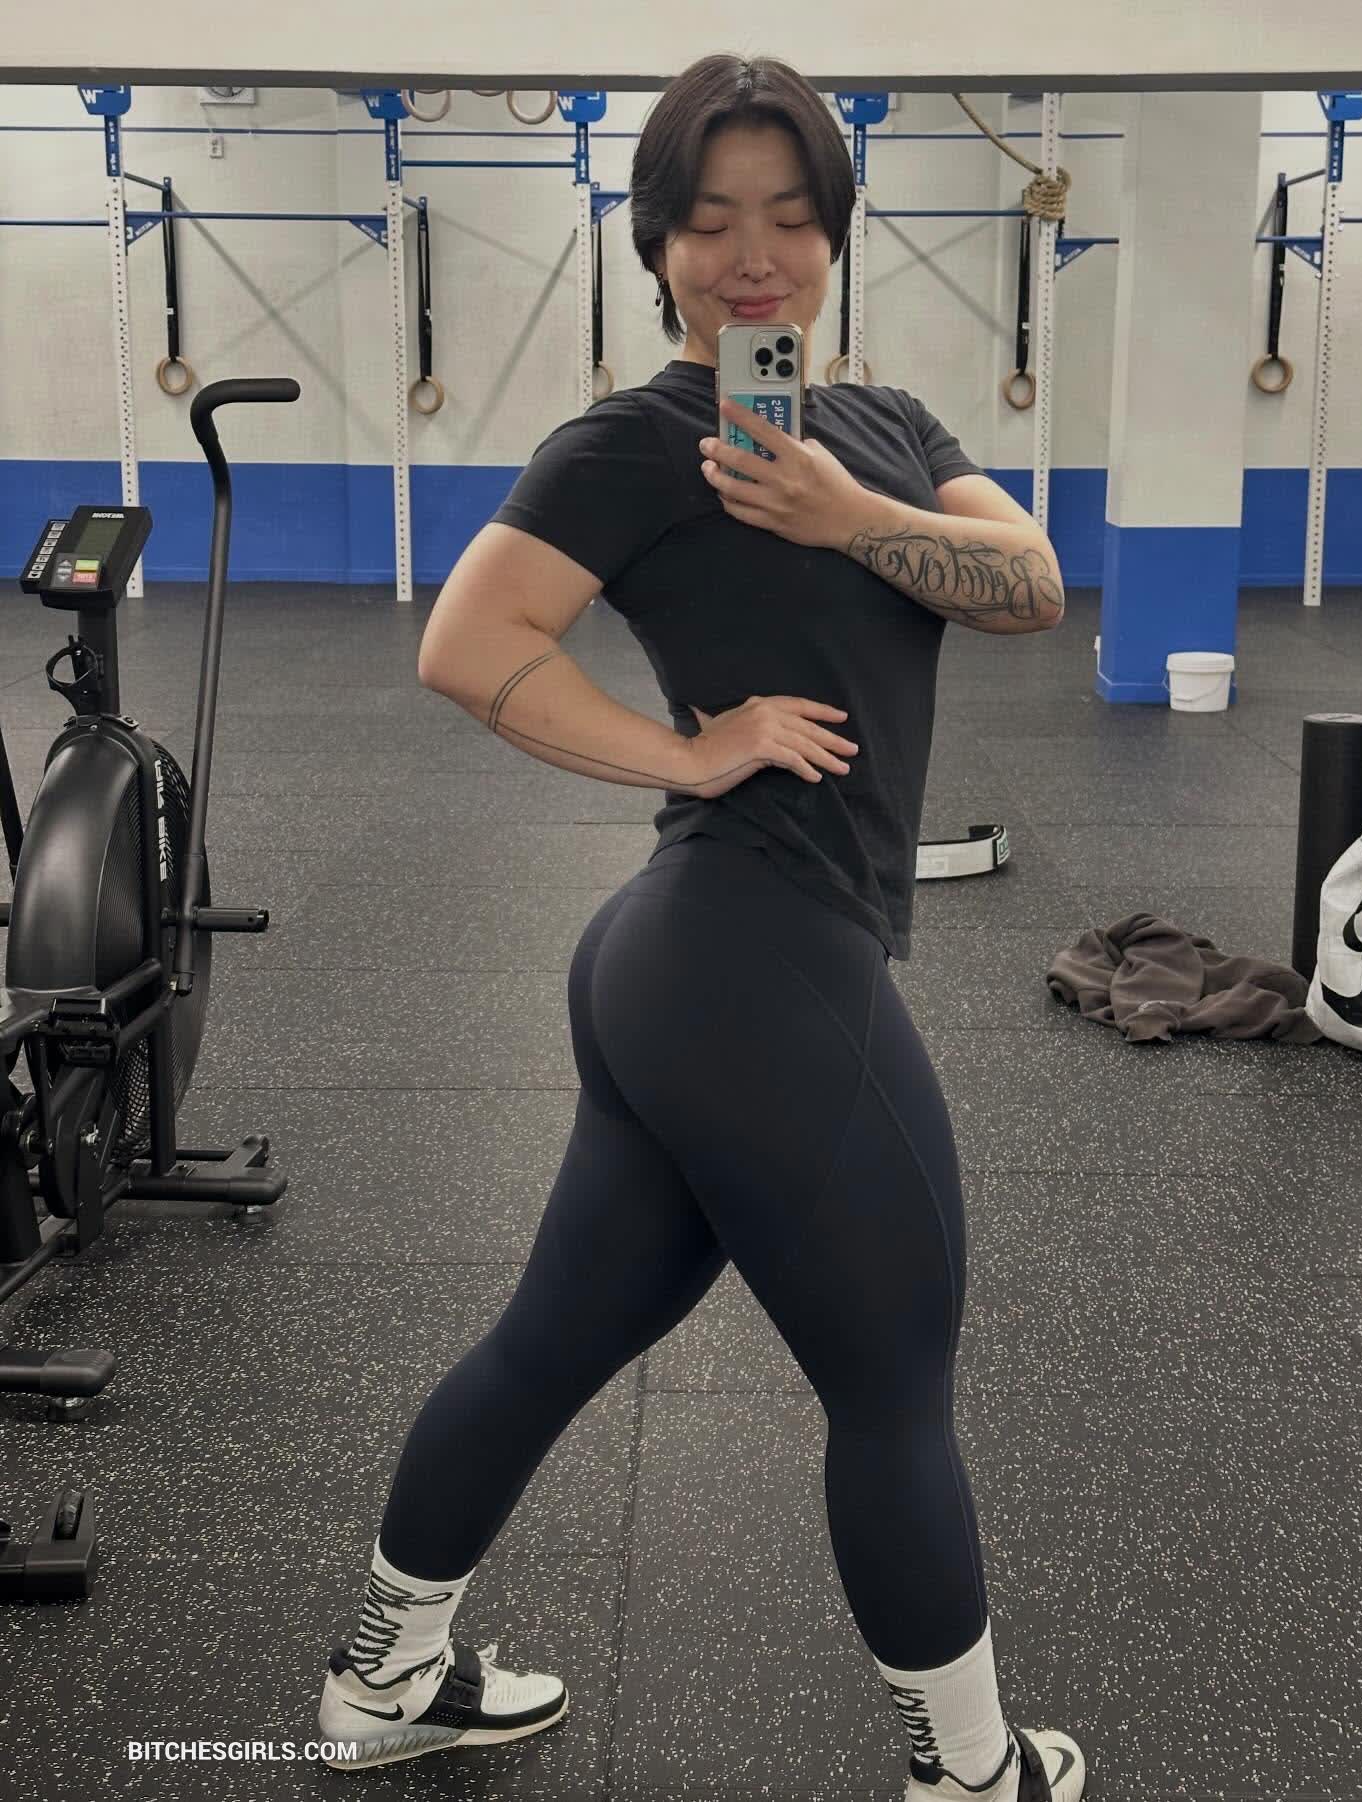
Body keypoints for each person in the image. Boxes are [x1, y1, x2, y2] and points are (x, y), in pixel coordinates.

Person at [316, 52, 1082, 1802]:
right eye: (713, 220)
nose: (753, 256)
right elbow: (466, 644)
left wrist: (846, 513)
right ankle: (974, 1775)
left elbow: (1032, 585)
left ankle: (383, 1675)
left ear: (833, 237)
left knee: (553, 1340)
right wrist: (687, 747)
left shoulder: (893, 430)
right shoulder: (637, 441)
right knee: (894, 1385)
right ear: (656, 241)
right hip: (749, 960)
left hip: (691, 974)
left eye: (790, 219)